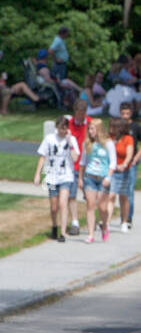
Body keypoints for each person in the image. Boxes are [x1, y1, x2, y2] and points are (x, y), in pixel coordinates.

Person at [34, 115, 79, 242]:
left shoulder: (71, 139)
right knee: (54, 206)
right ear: (56, 128)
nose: (62, 132)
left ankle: (63, 232)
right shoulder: (49, 139)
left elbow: (75, 158)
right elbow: (42, 156)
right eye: (60, 129)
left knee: (63, 203)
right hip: (52, 177)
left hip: (66, 176)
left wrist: (70, 142)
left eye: (64, 129)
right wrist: (38, 174)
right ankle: (54, 225)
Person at [79, 117, 115, 243]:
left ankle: (104, 225)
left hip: (103, 178)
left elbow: (112, 163)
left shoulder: (108, 143)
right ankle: (90, 234)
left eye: (92, 129)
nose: (90, 131)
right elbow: (83, 162)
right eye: (89, 129)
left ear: (99, 130)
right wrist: (80, 178)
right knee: (90, 205)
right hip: (90, 177)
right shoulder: (87, 144)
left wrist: (108, 177)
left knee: (102, 207)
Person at [117, 102, 141, 230]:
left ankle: (128, 218)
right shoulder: (117, 127)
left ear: (131, 114)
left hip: (131, 164)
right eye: (123, 113)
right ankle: (123, 216)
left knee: (129, 191)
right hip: (119, 164)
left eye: (127, 113)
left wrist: (136, 158)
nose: (125, 116)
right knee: (120, 192)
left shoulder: (136, 127)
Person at [66, 99, 89, 236]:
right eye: (78, 114)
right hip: (73, 165)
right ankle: (75, 222)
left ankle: (91, 219)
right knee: (72, 195)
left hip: (89, 166)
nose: (80, 117)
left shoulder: (91, 124)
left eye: (82, 114)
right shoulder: (68, 125)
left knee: (90, 196)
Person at [107, 117, 135, 229]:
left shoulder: (128, 139)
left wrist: (124, 164)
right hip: (112, 171)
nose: (110, 129)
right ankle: (107, 222)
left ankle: (124, 221)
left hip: (124, 171)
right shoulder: (109, 138)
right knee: (111, 195)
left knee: (123, 196)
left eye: (113, 126)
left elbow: (129, 154)